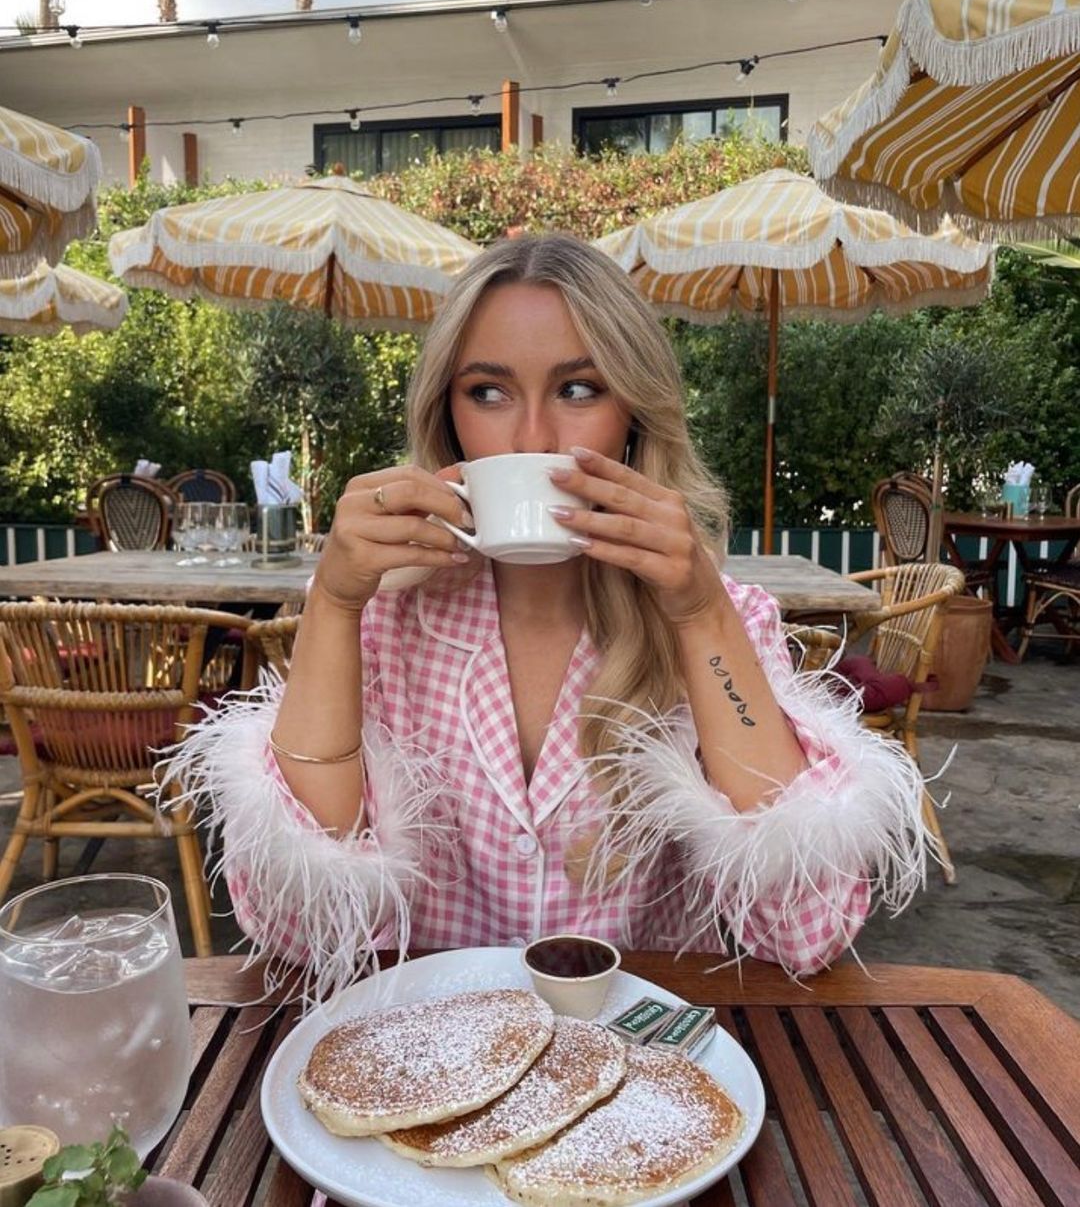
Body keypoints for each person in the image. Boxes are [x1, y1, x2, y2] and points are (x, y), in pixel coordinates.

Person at [165, 234, 927, 1002]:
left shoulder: (718, 621)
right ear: (447, 415)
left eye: (579, 389)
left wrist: (700, 612)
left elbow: (806, 932)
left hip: (637, 1054)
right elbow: (295, 929)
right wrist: (333, 604)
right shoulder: (383, 619)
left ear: (634, 413)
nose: (533, 439)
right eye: (488, 392)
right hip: (435, 1046)